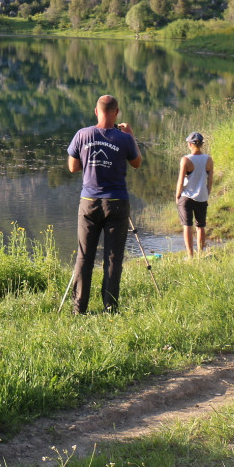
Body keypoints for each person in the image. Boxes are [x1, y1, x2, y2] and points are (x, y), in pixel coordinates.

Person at [66, 94, 142, 313]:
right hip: (117, 202)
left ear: (96, 111)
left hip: (89, 201)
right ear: (116, 113)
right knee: (113, 257)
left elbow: (72, 166)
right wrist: (131, 135)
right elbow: (136, 163)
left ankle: (79, 308)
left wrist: (91, 163)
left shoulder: (82, 134)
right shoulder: (124, 138)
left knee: (84, 255)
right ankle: (110, 308)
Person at [175, 132, 214, 259]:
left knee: (187, 226)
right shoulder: (208, 159)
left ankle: (190, 255)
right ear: (201, 144)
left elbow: (181, 181)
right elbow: (210, 180)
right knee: (200, 226)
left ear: (190, 144)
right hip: (202, 196)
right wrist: (207, 192)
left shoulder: (186, 160)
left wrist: (177, 196)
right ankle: (201, 254)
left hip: (186, 196)